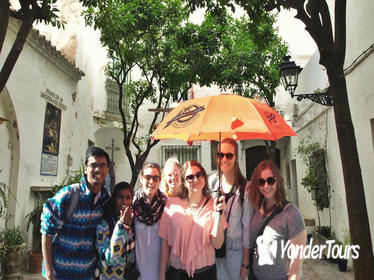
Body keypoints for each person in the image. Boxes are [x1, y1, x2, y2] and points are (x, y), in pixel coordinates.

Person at [41, 146, 111, 280]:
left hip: (88, 274)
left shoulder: (106, 200)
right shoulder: (68, 195)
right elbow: (46, 231)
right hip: (60, 274)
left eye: (102, 165)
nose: (98, 169)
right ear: (85, 168)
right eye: (93, 165)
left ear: (108, 169)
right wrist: (49, 272)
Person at [159, 160, 227, 280]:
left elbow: (217, 244)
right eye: (190, 177)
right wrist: (162, 275)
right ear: (184, 182)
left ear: (204, 177)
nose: (195, 180)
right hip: (177, 274)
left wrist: (218, 215)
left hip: (206, 273)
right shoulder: (172, 204)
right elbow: (165, 242)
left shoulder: (213, 205)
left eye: (199, 175)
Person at [248, 160, 306, 280]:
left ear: (278, 181)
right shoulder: (258, 208)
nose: (266, 186)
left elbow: (297, 262)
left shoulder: (291, 214)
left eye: (270, 180)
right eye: (261, 182)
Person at [209, 138, 253, 280]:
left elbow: (247, 228)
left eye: (229, 155)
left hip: (235, 254)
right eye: (220, 155)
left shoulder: (245, 188)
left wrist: (245, 264)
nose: (224, 159)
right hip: (214, 251)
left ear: (235, 158)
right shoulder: (212, 183)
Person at [133, 162, 167, 280]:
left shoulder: (166, 205)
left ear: (160, 180)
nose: (151, 182)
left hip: (160, 272)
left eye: (155, 178)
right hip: (137, 272)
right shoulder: (132, 204)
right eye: (147, 177)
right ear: (141, 179)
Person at [96, 181, 137, 280]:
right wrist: (122, 227)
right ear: (114, 199)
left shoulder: (132, 222)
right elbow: (109, 260)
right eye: (120, 197)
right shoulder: (104, 225)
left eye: (128, 197)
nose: (125, 201)